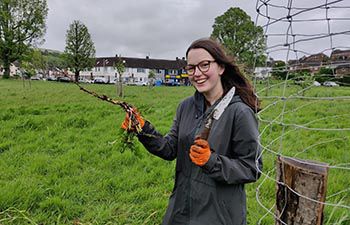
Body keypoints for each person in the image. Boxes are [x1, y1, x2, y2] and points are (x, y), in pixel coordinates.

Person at [121, 37, 262, 225]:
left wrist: (211, 161)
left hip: (219, 216)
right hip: (181, 211)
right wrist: (142, 128)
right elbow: (170, 149)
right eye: (191, 68)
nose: (197, 73)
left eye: (204, 65)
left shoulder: (239, 112)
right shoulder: (186, 107)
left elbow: (252, 168)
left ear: (220, 67)